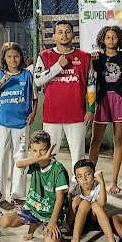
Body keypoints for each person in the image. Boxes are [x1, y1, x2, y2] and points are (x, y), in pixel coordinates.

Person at [34, 20, 96, 170]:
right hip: (52, 115)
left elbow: (91, 85)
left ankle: (78, 187)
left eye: (67, 31)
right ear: (54, 36)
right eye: (60, 32)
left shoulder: (84, 57)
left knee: (78, 156)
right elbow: (38, 81)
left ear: (73, 35)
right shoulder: (44, 56)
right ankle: (52, 188)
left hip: (77, 115)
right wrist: (57, 66)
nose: (64, 35)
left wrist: (90, 109)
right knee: (49, 154)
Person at [0, 130, 68, 242]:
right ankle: (34, 223)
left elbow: (60, 198)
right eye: (34, 151)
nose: (38, 154)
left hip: (49, 214)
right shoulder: (35, 164)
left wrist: (52, 222)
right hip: (32, 208)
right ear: (30, 150)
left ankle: (48, 225)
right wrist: (41, 158)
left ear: (49, 149)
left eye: (42, 150)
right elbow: (19, 164)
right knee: (4, 221)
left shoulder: (58, 170)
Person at [0, 42, 37, 202]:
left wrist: (33, 113)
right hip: (2, 122)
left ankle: (18, 193)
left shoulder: (27, 75)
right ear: (4, 58)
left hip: (21, 122)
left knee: (20, 157)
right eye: (9, 56)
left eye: (16, 56)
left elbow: (34, 97)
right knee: (0, 157)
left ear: (20, 57)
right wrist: (2, 82)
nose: (13, 59)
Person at [89, 26, 122, 194]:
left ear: (119, 39)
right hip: (102, 100)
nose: (111, 40)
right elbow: (89, 76)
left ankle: (114, 181)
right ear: (102, 39)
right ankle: (90, 177)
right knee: (96, 141)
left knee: (118, 140)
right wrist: (91, 60)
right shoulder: (97, 58)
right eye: (107, 37)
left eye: (114, 37)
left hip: (119, 100)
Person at [68, 160, 121, 242]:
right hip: (78, 225)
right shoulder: (75, 190)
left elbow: (102, 203)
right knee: (83, 203)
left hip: (95, 221)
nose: (84, 179)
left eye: (87, 174)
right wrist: (74, 205)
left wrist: (102, 182)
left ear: (93, 174)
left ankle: (111, 240)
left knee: (95, 205)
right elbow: (69, 221)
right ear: (76, 178)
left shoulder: (97, 186)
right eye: (79, 177)